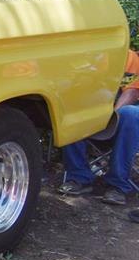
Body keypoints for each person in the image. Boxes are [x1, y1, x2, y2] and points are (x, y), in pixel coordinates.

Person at [59, 48, 139, 205]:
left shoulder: (128, 57)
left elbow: (131, 92)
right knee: (72, 108)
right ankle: (78, 176)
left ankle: (118, 186)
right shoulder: (83, 55)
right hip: (94, 108)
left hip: (122, 115)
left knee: (130, 114)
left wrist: (112, 117)